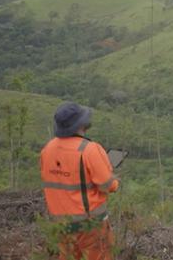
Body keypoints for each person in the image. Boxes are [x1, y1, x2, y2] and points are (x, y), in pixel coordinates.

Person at [39, 103, 120, 260]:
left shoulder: (47, 150)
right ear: (81, 124)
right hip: (90, 224)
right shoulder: (89, 149)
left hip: (61, 224)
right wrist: (112, 176)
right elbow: (109, 186)